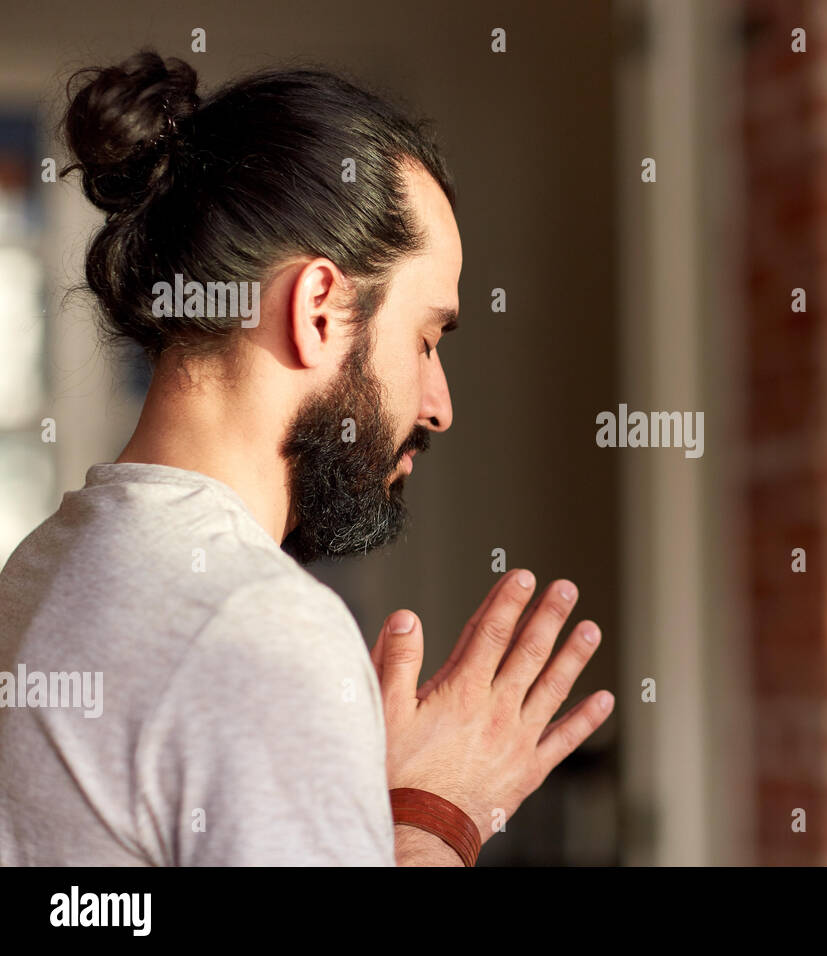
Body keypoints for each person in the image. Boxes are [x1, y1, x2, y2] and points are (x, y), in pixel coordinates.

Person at [0, 49, 614, 866]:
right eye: (426, 339)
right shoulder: (259, 629)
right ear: (320, 311)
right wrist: (437, 817)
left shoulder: (40, 569)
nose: (439, 404)